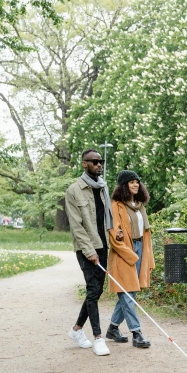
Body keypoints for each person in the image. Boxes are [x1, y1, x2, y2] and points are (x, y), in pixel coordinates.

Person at [65, 149, 112, 356]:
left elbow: (106, 217)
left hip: (104, 246)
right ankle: (98, 338)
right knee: (93, 290)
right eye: (94, 162)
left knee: (97, 291)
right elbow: (76, 226)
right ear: (84, 164)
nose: (99, 165)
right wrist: (89, 250)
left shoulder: (102, 187)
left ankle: (76, 330)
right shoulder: (74, 190)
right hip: (87, 248)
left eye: (100, 161)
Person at [104, 169, 155, 349]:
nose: (135, 184)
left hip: (141, 247)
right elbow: (113, 236)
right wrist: (130, 254)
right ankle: (137, 332)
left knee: (129, 293)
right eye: (131, 182)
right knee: (127, 294)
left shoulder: (139, 205)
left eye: (137, 182)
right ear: (123, 186)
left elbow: (146, 232)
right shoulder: (116, 205)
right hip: (124, 252)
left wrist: (146, 254)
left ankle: (112, 328)